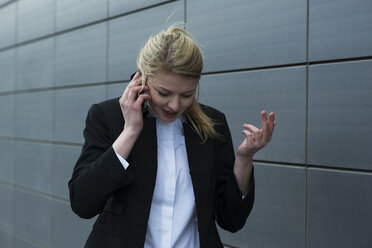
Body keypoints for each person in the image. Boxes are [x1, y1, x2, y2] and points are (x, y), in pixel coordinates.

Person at [68, 25, 276, 248]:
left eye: (187, 94)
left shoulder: (213, 125)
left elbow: (231, 219)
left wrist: (244, 160)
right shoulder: (107, 117)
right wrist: (130, 131)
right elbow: (83, 202)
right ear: (142, 76)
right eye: (164, 93)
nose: (175, 105)